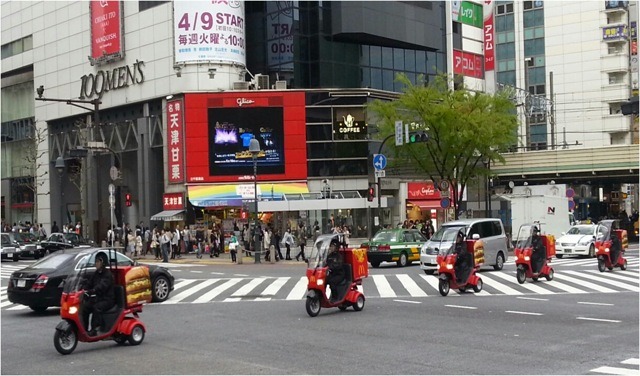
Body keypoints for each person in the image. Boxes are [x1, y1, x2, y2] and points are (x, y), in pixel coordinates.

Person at [82, 252, 115, 336]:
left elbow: (102, 286)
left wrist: (93, 290)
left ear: (103, 263)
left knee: (96, 307)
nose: (96, 263)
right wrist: (83, 289)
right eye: (95, 261)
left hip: (107, 299)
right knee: (85, 307)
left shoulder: (108, 274)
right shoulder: (96, 273)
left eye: (98, 261)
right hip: (98, 298)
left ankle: (95, 329)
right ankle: (83, 328)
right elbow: (90, 283)